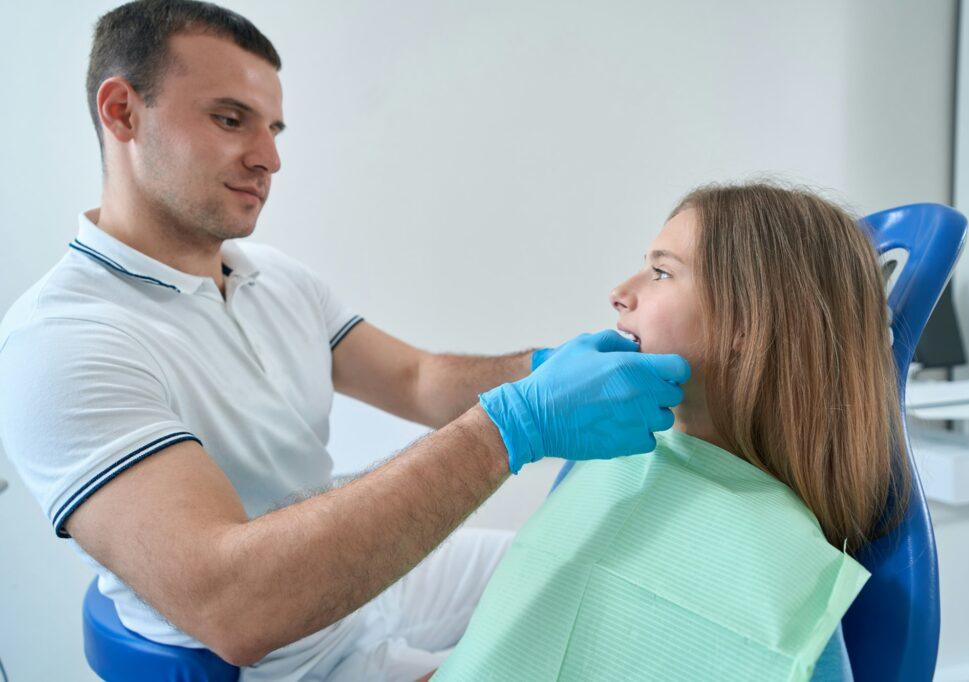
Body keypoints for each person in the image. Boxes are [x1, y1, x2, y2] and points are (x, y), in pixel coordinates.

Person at [0, 1, 688, 679]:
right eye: (229, 119)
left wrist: (547, 370)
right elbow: (235, 605)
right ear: (121, 111)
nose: (269, 157)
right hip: (286, 659)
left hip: (367, 597)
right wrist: (517, 424)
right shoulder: (62, 342)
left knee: (595, 584)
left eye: (274, 128)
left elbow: (417, 379)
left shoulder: (273, 277)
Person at [432, 182, 910, 681]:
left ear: (745, 323)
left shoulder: (787, 585)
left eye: (661, 272)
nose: (619, 294)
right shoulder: (606, 463)